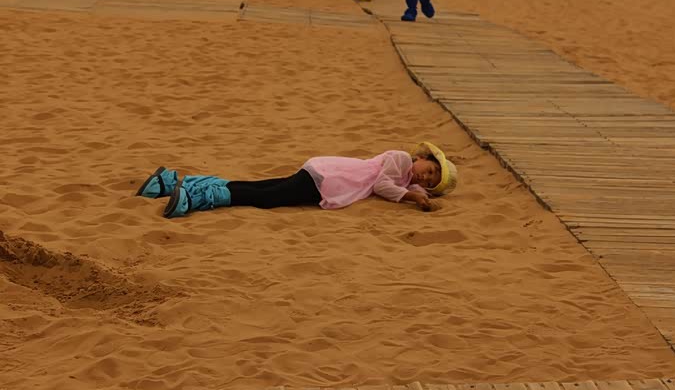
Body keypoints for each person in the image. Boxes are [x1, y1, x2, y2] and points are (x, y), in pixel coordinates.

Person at [135, 142, 457, 218]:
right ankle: (200, 197)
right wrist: (413, 197)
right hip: (329, 179)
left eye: (431, 181)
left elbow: (407, 186)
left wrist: (420, 193)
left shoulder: (406, 178)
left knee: (265, 187)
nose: (425, 177)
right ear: (422, 156)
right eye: (429, 169)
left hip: (326, 177)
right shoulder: (401, 159)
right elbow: (382, 186)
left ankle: (178, 184)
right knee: (268, 198)